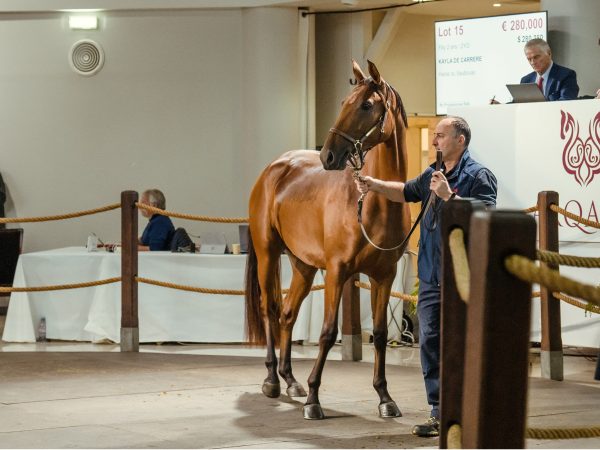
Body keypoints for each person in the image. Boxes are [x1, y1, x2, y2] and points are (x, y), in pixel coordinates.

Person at [355, 116, 497, 438]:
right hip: (431, 276)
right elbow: (405, 191)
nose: (435, 141)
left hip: (462, 276)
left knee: (462, 345)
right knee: (430, 342)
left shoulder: (479, 176)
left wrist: (450, 197)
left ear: (461, 140)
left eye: (441, 136)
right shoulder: (434, 175)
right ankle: (439, 412)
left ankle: (472, 411)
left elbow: (487, 218)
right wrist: (373, 184)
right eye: (435, 136)